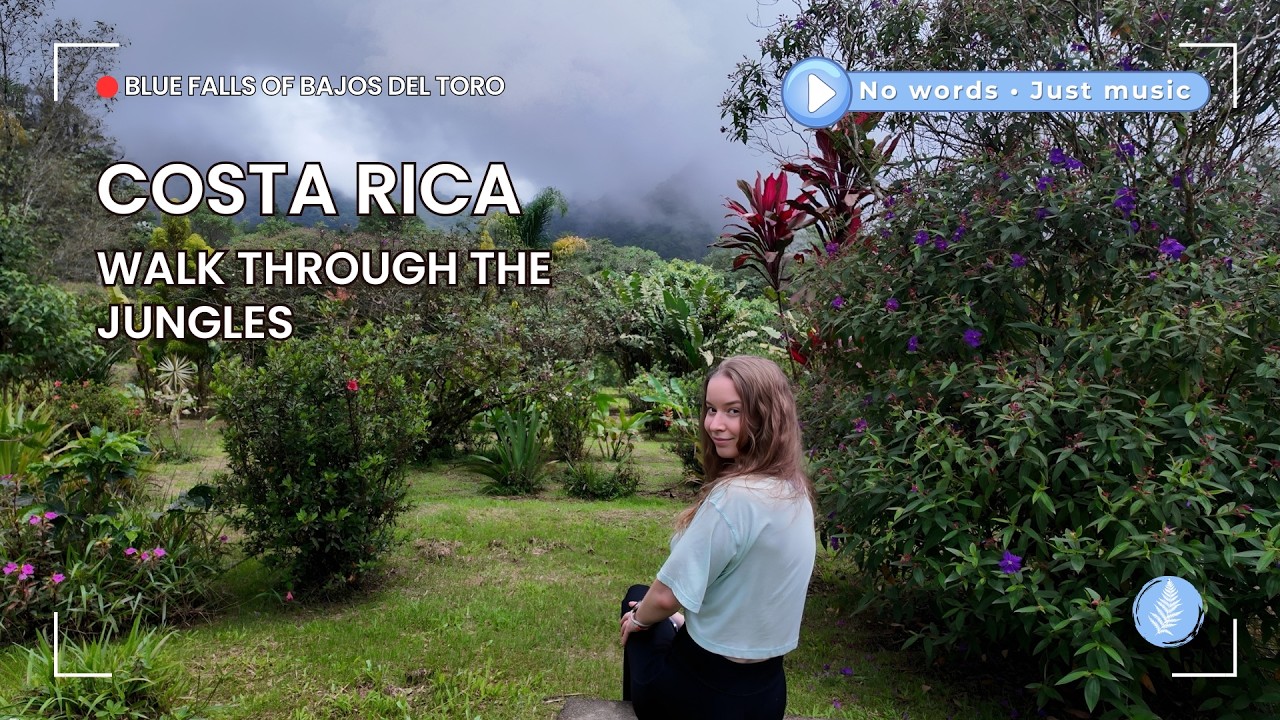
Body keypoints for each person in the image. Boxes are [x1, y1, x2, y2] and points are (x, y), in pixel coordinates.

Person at [618, 355, 816, 720]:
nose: (715, 424)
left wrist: (640, 621)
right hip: (766, 697)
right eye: (711, 409)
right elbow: (744, 588)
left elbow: (664, 597)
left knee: (637, 600)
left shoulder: (735, 498)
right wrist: (686, 622)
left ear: (767, 417)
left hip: (701, 698)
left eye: (733, 411)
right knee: (660, 615)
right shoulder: (795, 491)